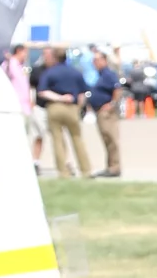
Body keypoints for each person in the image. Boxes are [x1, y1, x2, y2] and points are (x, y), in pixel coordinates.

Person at [36, 44, 90, 179]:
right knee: (77, 138)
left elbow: (43, 92)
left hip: (55, 107)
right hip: (72, 108)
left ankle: (63, 172)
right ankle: (85, 170)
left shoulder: (49, 72)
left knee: (57, 140)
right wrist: (78, 107)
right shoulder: (75, 72)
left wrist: (59, 98)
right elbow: (82, 94)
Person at [85, 46, 123, 176]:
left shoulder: (109, 74)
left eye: (97, 60)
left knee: (111, 138)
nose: (94, 63)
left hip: (107, 112)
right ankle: (110, 166)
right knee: (106, 139)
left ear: (104, 61)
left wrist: (112, 104)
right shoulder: (99, 75)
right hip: (99, 111)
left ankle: (115, 167)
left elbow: (117, 89)